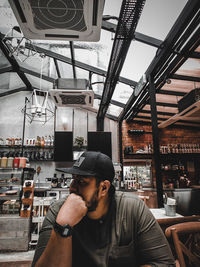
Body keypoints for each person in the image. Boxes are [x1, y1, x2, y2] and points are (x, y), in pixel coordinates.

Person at [32, 151, 176, 267]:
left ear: (103, 188)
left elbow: (165, 263)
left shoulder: (132, 208)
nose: (72, 188)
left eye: (81, 182)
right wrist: (63, 227)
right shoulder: (59, 211)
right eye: (73, 179)